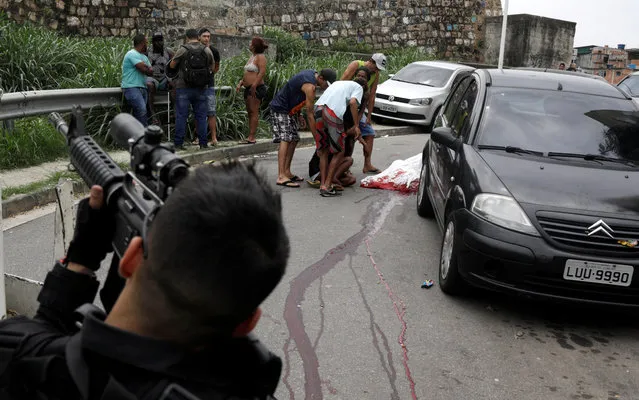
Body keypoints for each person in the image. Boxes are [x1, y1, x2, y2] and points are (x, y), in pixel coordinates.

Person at [0, 161, 289, 400]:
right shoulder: (254, 387)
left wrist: (81, 261)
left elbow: (36, 343)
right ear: (248, 323)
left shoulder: (27, 361)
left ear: (132, 258)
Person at [270, 68, 337, 188]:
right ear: (320, 78)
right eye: (326, 84)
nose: (326, 88)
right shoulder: (310, 87)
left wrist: (299, 114)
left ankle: (287, 172)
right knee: (285, 138)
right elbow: (310, 115)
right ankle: (281, 176)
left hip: (290, 111)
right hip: (281, 109)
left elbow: (295, 93)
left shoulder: (312, 74)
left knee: (294, 139)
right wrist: (317, 138)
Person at [313, 78, 368, 197]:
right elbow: (353, 102)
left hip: (318, 109)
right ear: (363, 87)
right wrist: (356, 125)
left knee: (323, 151)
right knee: (339, 151)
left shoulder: (338, 82)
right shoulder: (358, 88)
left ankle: (323, 184)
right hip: (332, 112)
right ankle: (327, 186)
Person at [340, 53, 387, 174]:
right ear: (370, 61)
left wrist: (369, 116)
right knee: (347, 136)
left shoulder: (375, 74)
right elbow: (341, 84)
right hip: (345, 106)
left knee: (369, 133)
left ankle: (367, 164)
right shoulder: (356, 65)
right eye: (375, 67)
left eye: (378, 69)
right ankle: (344, 167)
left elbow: (372, 95)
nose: (376, 71)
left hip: (359, 108)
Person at [168, 29, 215, 149]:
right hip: (201, 88)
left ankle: (179, 143)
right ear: (197, 37)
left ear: (187, 38)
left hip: (183, 88)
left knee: (181, 116)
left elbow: (172, 65)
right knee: (201, 116)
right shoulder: (206, 49)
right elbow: (212, 67)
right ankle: (203, 143)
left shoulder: (183, 49)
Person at [236, 37, 268, 144]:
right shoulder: (252, 57)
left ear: (254, 46)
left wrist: (254, 85)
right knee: (250, 112)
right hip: (248, 87)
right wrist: (241, 82)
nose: (249, 45)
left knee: (254, 112)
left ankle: (252, 137)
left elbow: (262, 72)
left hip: (256, 88)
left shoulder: (260, 57)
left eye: (251, 43)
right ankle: (250, 135)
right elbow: (247, 73)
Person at [121, 33, 153, 126]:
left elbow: (151, 72)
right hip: (131, 88)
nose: (148, 45)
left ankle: (137, 135)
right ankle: (143, 135)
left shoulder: (144, 57)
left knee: (140, 112)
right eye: (146, 43)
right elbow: (143, 69)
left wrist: (146, 67)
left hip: (142, 88)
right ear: (142, 43)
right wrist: (145, 67)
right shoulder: (131, 54)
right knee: (142, 110)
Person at [198, 28, 221, 146]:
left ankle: (213, 137)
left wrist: (209, 74)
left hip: (209, 85)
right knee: (198, 112)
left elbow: (216, 67)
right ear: (199, 37)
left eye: (208, 36)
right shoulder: (195, 50)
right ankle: (198, 137)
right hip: (196, 86)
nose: (206, 38)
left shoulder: (214, 51)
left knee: (211, 112)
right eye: (204, 36)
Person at [145, 32, 174, 125]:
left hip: (164, 78)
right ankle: (153, 114)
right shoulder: (147, 51)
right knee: (149, 85)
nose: (159, 43)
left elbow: (175, 65)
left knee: (175, 85)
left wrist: (171, 79)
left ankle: (174, 111)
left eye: (161, 40)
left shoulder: (168, 51)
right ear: (153, 42)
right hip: (152, 78)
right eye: (157, 41)